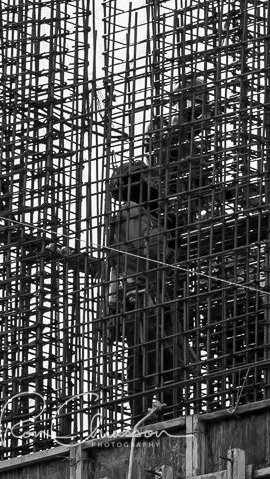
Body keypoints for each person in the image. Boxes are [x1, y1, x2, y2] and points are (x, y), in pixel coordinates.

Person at [101, 161, 196, 421]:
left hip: (156, 299)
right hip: (142, 299)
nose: (158, 184)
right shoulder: (130, 213)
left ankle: (168, 413)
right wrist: (170, 240)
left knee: (173, 360)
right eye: (150, 179)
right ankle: (145, 416)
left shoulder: (146, 217)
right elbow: (153, 253)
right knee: (146, 358)